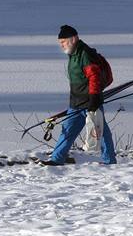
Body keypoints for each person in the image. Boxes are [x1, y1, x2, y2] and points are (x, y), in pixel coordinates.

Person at [44, 25, 117, 165]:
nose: (61, 45)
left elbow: (94, 76)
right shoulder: (74, 54)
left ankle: (110, 161)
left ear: (73, 39)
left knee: (100, 132)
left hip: (90, 101)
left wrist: (94, 98)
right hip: (76, 102)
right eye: (60, 43)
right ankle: (56, 159)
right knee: (67, 130)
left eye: (63, 42)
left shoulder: (85, 54)